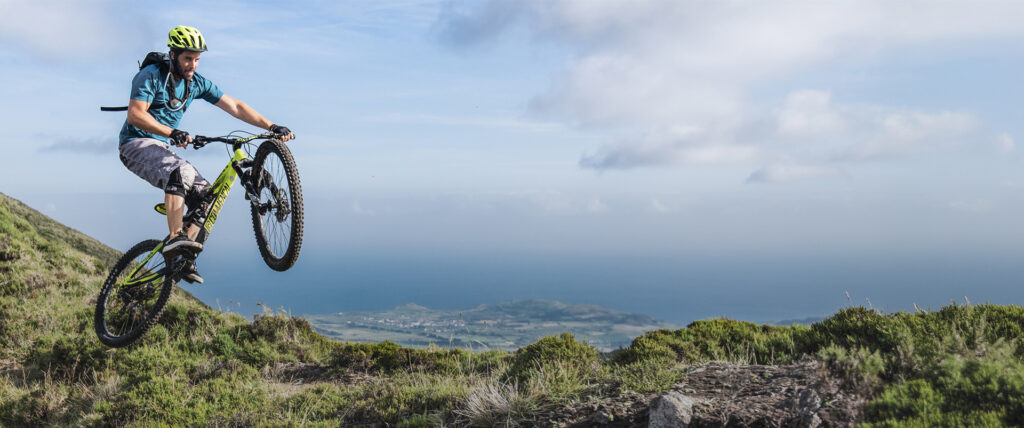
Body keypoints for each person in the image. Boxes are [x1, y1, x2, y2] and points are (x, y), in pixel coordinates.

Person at [118, 25, 294, 284]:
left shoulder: (196, 83)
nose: (193, 65)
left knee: (207, 196)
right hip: (135, 144)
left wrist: (271, 126)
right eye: (188, 58)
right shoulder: (151, 75)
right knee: (180, 171)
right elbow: (135, 114)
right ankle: (176, 238)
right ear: (173, 55)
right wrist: (171, 132)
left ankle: (183, 258)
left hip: (161, 147)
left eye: (197, 59)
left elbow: (235, 106)